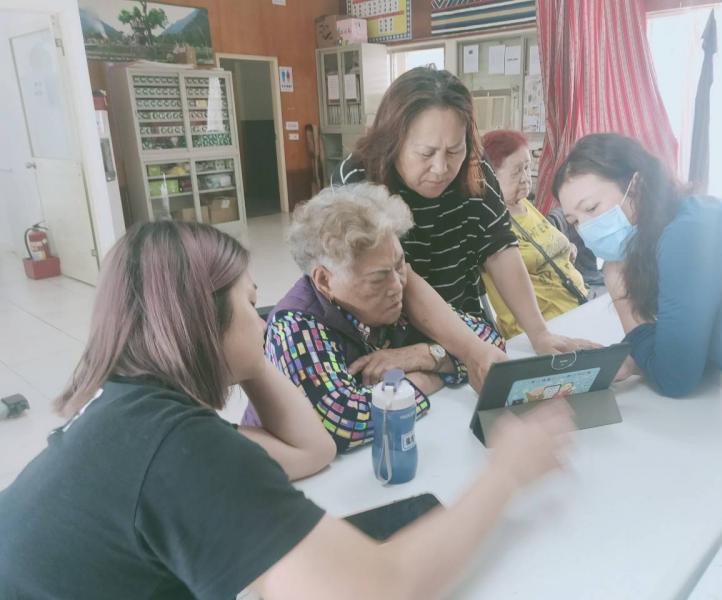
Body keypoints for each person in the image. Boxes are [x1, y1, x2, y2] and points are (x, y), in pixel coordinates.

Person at [0, 220, 573, 599]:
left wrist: (245, 357)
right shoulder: (176, 448)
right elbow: (386, 587)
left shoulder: (132, 406)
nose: (267, 318)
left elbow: (311, 451)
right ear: (204, 321)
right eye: (251, 304)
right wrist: (507, 474)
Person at [333, 67, 595, 356]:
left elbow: (500, 249)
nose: (441, 168)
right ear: (393, 141)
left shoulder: (474, 168)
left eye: (454, 150)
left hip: (464, 322)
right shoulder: (359, 179)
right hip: (387, 340)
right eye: (426, 153)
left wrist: (539, 333)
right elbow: (400, 277)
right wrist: (469, 352)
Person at [553, 133, 722, 419]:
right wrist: (635, 358)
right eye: (574, 221)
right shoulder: (691, 216)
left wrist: (622, 297)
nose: (586, 228)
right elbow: (698, 350)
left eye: (591, 208)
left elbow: (676, 377)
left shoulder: (684, 236)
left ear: (637, 185)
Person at [242, 184, 504, 453]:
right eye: (378, 277)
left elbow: (488, 343)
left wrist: (427, 355)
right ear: (325, 280)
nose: (397, 285)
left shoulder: (398, 296)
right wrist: (428, 379)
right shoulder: (296, 326)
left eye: (400, 264)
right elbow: (344, 421)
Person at [480, 130, 589, 339]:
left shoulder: (524, 205)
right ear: (489, 176)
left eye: (527, 167)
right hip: (543, 330)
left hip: (578, 307)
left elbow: (544, 244)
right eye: (516, 172)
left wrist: (565, 249)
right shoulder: (488, 222)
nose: (525, 178)